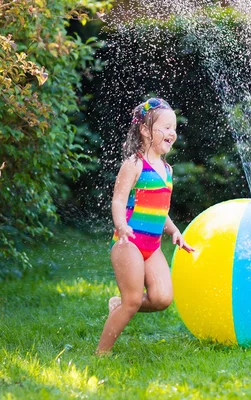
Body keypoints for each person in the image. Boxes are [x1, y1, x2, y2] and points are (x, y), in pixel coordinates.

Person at [96, 98, 194, 355]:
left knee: (162, 298)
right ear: (144, 130)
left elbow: (160, 210)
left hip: (152, 247)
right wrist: (121, 226)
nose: (172, 132)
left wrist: (174, 231)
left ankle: (119, 303)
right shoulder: (135, 164)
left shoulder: (167, 169)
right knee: (132, 301)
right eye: (165, 127)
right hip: (128, 243)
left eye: (174, 128)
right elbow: (118, 200)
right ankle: (101, 353)